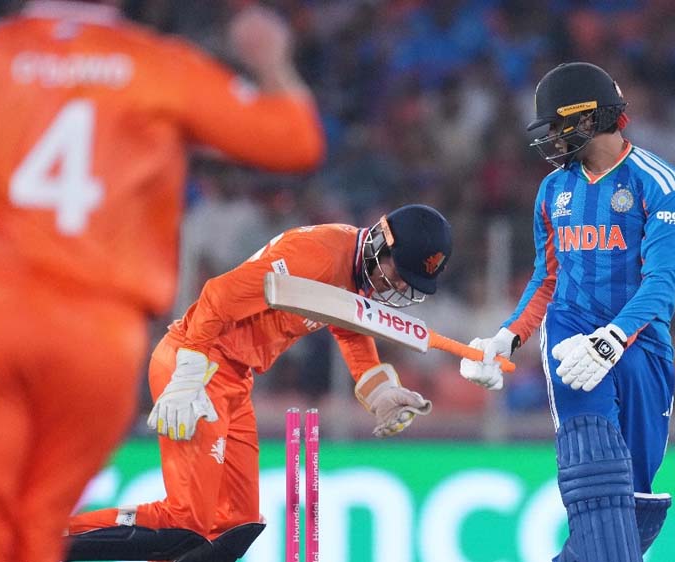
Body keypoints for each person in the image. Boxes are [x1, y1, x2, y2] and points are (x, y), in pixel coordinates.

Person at [0, 2, 324, 561]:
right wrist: (270, 60)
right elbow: (295, 141)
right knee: (41, 524)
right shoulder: (158, 66)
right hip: (99, 334)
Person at [65, 204, 451, 562]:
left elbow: (349, 327)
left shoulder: (352, 272)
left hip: (234, 377)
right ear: (382, 241)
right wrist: (188, 374)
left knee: (236, 526)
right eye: (399, 272)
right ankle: (44, 542)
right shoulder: (317, 255)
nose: (395, 286)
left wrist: (378, 387)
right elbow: (218, 294)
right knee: (185, 523)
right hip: (199, 363)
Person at [460, 62, 675, 562]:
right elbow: (546, 279)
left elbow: (660, 285)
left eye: (558, 126)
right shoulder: (553, 190)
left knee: (635, 500)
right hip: (571, 333)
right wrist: (506, 337)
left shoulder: (659, 183)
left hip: (641, 342)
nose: (551, 140)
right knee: (593, 469)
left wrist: (613, 339)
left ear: (588, 118)